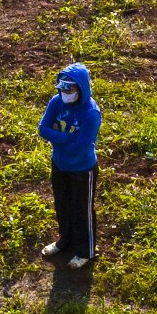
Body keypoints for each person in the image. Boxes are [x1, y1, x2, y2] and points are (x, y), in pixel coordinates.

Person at [36, 61, 102, 269]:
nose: (64, 92)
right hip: (60, 165)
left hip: (82, 169)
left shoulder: (91, 113)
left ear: (81, 88)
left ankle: (85, 251)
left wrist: (58, 138)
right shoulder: (56, 102)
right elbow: (42, 129)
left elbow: (81, 146)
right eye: (61, 87)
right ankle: (65, 240)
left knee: (82, 210)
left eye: (69, 88)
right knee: (62, 205)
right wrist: (66, 137)